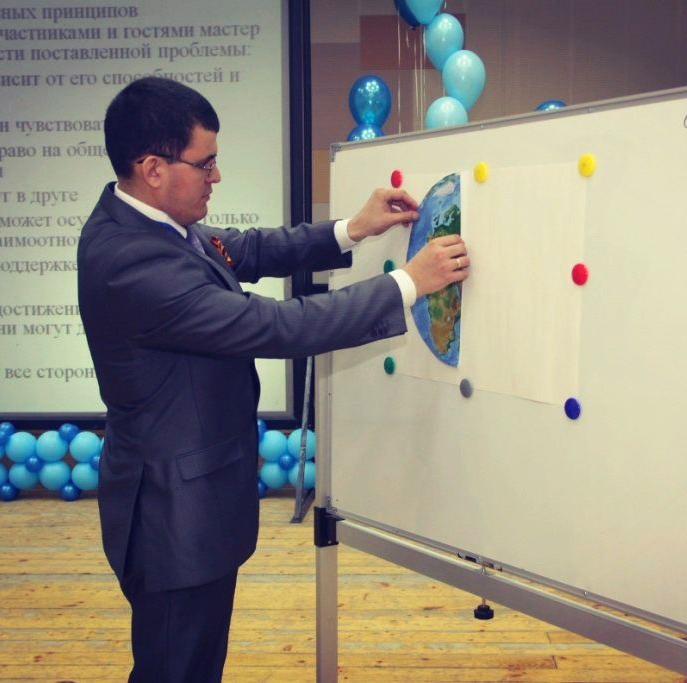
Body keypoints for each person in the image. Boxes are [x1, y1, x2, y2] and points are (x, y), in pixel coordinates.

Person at [77, 76, 469, 682]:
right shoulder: (130, 260)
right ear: (152, 169)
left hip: (189, 504)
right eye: (204, 163)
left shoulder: (154, 223)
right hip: (171, 519)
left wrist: (352, 229)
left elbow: (248, 249)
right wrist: (408, 283)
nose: (216, 176)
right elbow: (278, 327)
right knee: (175, 669)